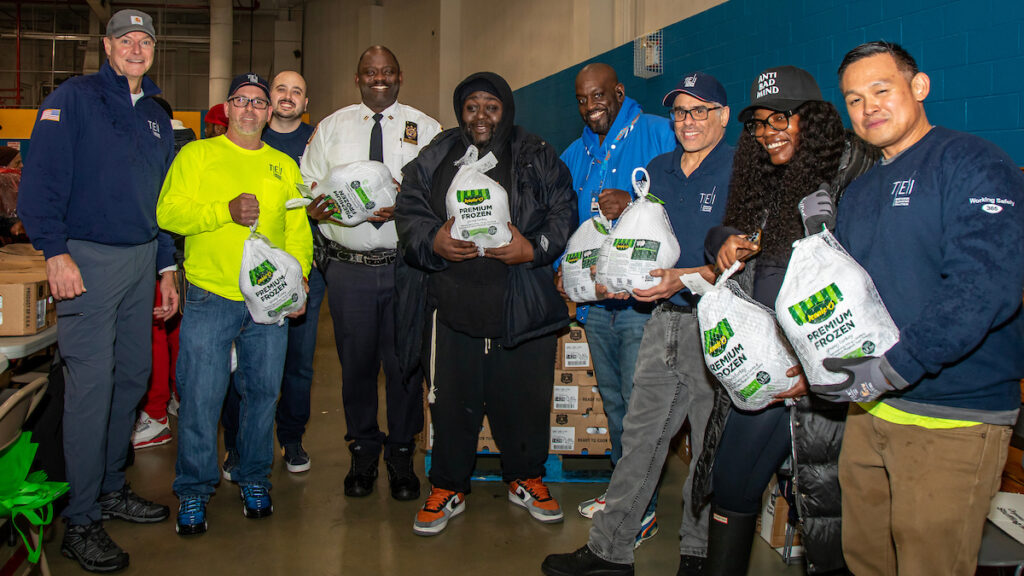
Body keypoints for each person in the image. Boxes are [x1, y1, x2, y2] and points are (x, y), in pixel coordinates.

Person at [825, 41, 1024, 575]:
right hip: (871, 412)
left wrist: (895, 367)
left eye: (881, 90)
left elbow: (985, 287)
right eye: (855, 98)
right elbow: (850, 296)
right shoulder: (861, 192)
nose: (869, 107)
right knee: (865, 561)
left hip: (953, 417)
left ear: (919, 87)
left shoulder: (973, 163)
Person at [542, 71, 732, 576]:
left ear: (722, 117)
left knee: (706, 446)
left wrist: (682, 278)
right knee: (640, 439)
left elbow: (746, 261)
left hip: (718, 326)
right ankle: (611, 549)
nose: (688, 122)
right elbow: (636, 247)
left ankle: (696, 552)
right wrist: (601, 276)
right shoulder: (659, 171)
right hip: (663, 322)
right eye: (681, 112)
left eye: (700, 111)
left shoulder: (741, 170)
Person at [695, 65, 878, 576]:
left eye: (783, 119)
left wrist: (816, 365)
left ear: (813, 119)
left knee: (828, 514)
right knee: (733, 482)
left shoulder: (853, 175)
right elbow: (728, 231)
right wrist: (721, 241)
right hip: (769, 369)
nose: (769, 132)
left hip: (824, 380)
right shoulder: (770, 176)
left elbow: (864, 291)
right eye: (758, 124)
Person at [16, 9, 176, 573]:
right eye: (125, 39)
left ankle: (109, 484)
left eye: (145, 40)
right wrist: (54, 251)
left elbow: (161, 201)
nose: (136, 48)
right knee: (89, 385)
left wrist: (165, 267)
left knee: (133, 374)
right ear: (107, 47)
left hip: (140, 258)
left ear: (155, 50)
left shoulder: (159, 113)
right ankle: (80, 519)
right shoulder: (76, 98)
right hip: (85, 257)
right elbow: (41, 179)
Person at [395, 71, 576, 536]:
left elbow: (564, 208)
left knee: (524, 399)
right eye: (471, 106)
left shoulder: (535, 152)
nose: (480, 116)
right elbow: (410, 208)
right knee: (452, 401)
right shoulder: (437, 155)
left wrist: (532, 249)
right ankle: (448, 485)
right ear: (461, 112)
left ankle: (526, 478)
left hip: (520, 301)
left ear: (506, 110)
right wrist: (433, 240)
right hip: (452, 303)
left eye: (490, 106)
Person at [157, 72, 313, 536]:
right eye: (241, 100)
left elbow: (299, 228)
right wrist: (221, 212)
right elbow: (168, 213)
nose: (250, 108)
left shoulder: (283, 165)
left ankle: (253, 477)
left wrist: (300, 279)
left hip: (269, 301)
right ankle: (193, 490)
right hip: (211, 296)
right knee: (202, 398)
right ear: (227, 108)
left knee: (263, 395)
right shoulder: (197, 155)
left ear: (270, 112)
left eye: (259, 102)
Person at [300, 45, 441, 501]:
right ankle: (362, 449)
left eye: (387, 71)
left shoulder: (429, 129)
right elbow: (308, 186)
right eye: (369, 72)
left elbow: (445, 194)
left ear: (400, 75)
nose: (378, 78)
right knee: (356, 366)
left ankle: (401, 453)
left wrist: (409, 206)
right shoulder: (331, 127)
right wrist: (318, 210)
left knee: (405, 365)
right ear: (357, 77)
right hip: (350, 270)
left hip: (406, 269)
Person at [557, 63, 676, 540]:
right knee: (614, 403)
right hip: (595, 305)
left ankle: (637, 506)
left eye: (599, 96)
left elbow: (680, 204)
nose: (591, 107)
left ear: (619, 92)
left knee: (638, 402)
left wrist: (637, 204)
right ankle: (627, 491)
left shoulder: (658, 133)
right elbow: (563, 224)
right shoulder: (574, 153)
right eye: (583, 100)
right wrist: (560, 274)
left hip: (641, 303)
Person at [221, 70, 322, 476]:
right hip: (242, 273)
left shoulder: (319, 139)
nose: (287, 97)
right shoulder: (243, 139)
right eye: (280, 89)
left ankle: (291, 437)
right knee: (239, 364)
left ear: (305, 102)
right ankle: (237, 445)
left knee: (298, 362)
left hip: (301, 266)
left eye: (297, 91)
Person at [132, 95, 196, 450]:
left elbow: (156, 206)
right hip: (188, 255)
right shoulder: (193, 146)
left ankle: (155, 415)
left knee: (156, 332)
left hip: (163, 256)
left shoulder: (159, 146)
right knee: (177, 333)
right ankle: (175, 399)